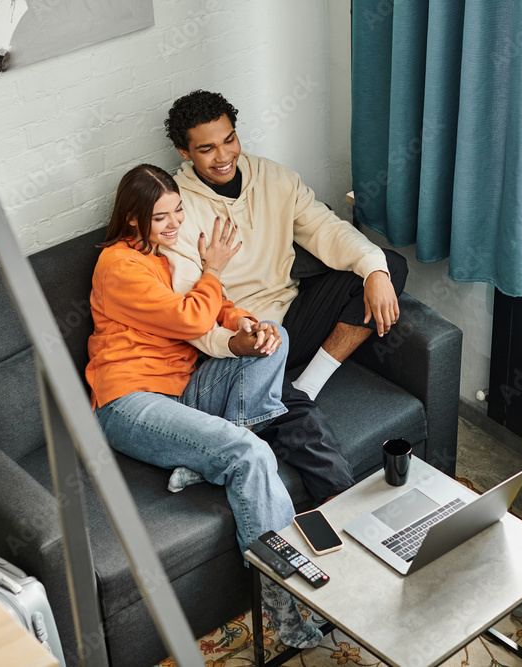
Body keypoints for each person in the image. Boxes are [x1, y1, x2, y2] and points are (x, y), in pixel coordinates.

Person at [85, 164, 322, 649]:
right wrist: (212, 268)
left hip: (184, 391)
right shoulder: (119, 266)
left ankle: (198, 461)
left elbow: (219, 306)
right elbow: (190, 314)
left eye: (177, 211)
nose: (173, 224)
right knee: (250, 455)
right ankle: (283, 603)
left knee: (276, 342)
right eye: (160, 217)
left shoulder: (168, 251)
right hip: (128, 402)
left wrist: (251, 326)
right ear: (132, 221)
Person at [162, 90, 409, 501]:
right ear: (184, 152)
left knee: (385, 265)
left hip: (290, 318)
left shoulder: (274, 178)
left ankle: (306, 384)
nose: (223, 155)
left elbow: (327, 230)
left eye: (229, 139)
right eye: (206, 149)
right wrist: (234, 342)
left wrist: (375, 270)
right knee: (305, 426)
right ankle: (342, 519)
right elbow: (189, 309)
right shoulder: (176, 208)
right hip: (240, 338)